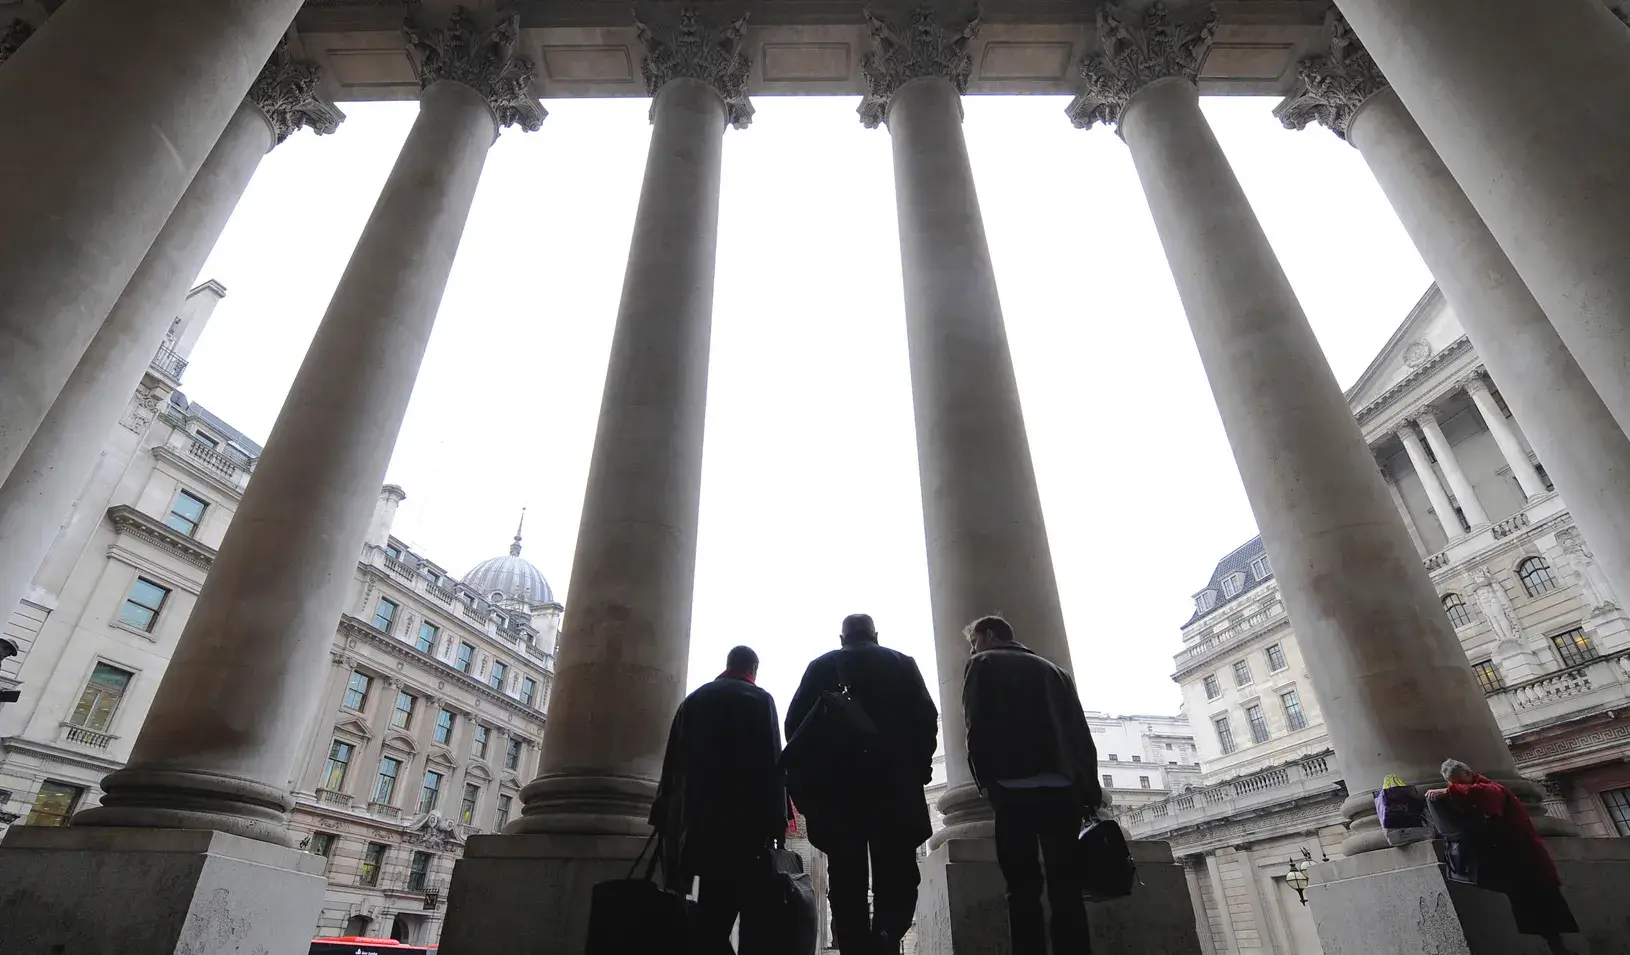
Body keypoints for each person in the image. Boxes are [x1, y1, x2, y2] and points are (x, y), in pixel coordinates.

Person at [785, 614, 938, 955]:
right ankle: (886, 936)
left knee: (845, 878)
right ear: (875, 635)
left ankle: (853, 946)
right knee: (897, 872)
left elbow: (795, 728)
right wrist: (918, 769)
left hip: (839, 795)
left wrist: (812, 786)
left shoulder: (820, 666)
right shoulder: (902, 664)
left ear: (842, 638)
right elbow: (926, 720)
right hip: (893, 788)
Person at [962, 614, 1100, 955]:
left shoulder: (983, 663)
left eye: (973, 642)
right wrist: (1089, 787)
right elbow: (1079, 734)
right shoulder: (1055, 671)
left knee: (1022, 887)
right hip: (1063, 790)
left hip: (1014, 789)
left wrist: (985, 781)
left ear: (989, 636)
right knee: (1066, 886)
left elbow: (976, 726)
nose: (972, 649)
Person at [650, 646, 788, 954]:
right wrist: (778, 823)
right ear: (753, 668)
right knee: (732, 908)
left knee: (710, 901)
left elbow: (671, 762)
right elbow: (773, 763)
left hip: (694, 824)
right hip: (744, 827)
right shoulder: (760, 700)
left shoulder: (694, 700)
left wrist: (662, 813)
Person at [1427, 758, 1578, 954]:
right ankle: (1557, 948)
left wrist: (1448, 792)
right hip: (1512, 858)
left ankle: (1559, 948)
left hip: (1525, 859)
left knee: (1541, 904)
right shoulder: (1473, 791)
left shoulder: (1491, 788)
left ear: (1469, 774)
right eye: (1453, 784)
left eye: (1460, 782)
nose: (1458, 787)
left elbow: (1486, 794)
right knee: (1531, 906)